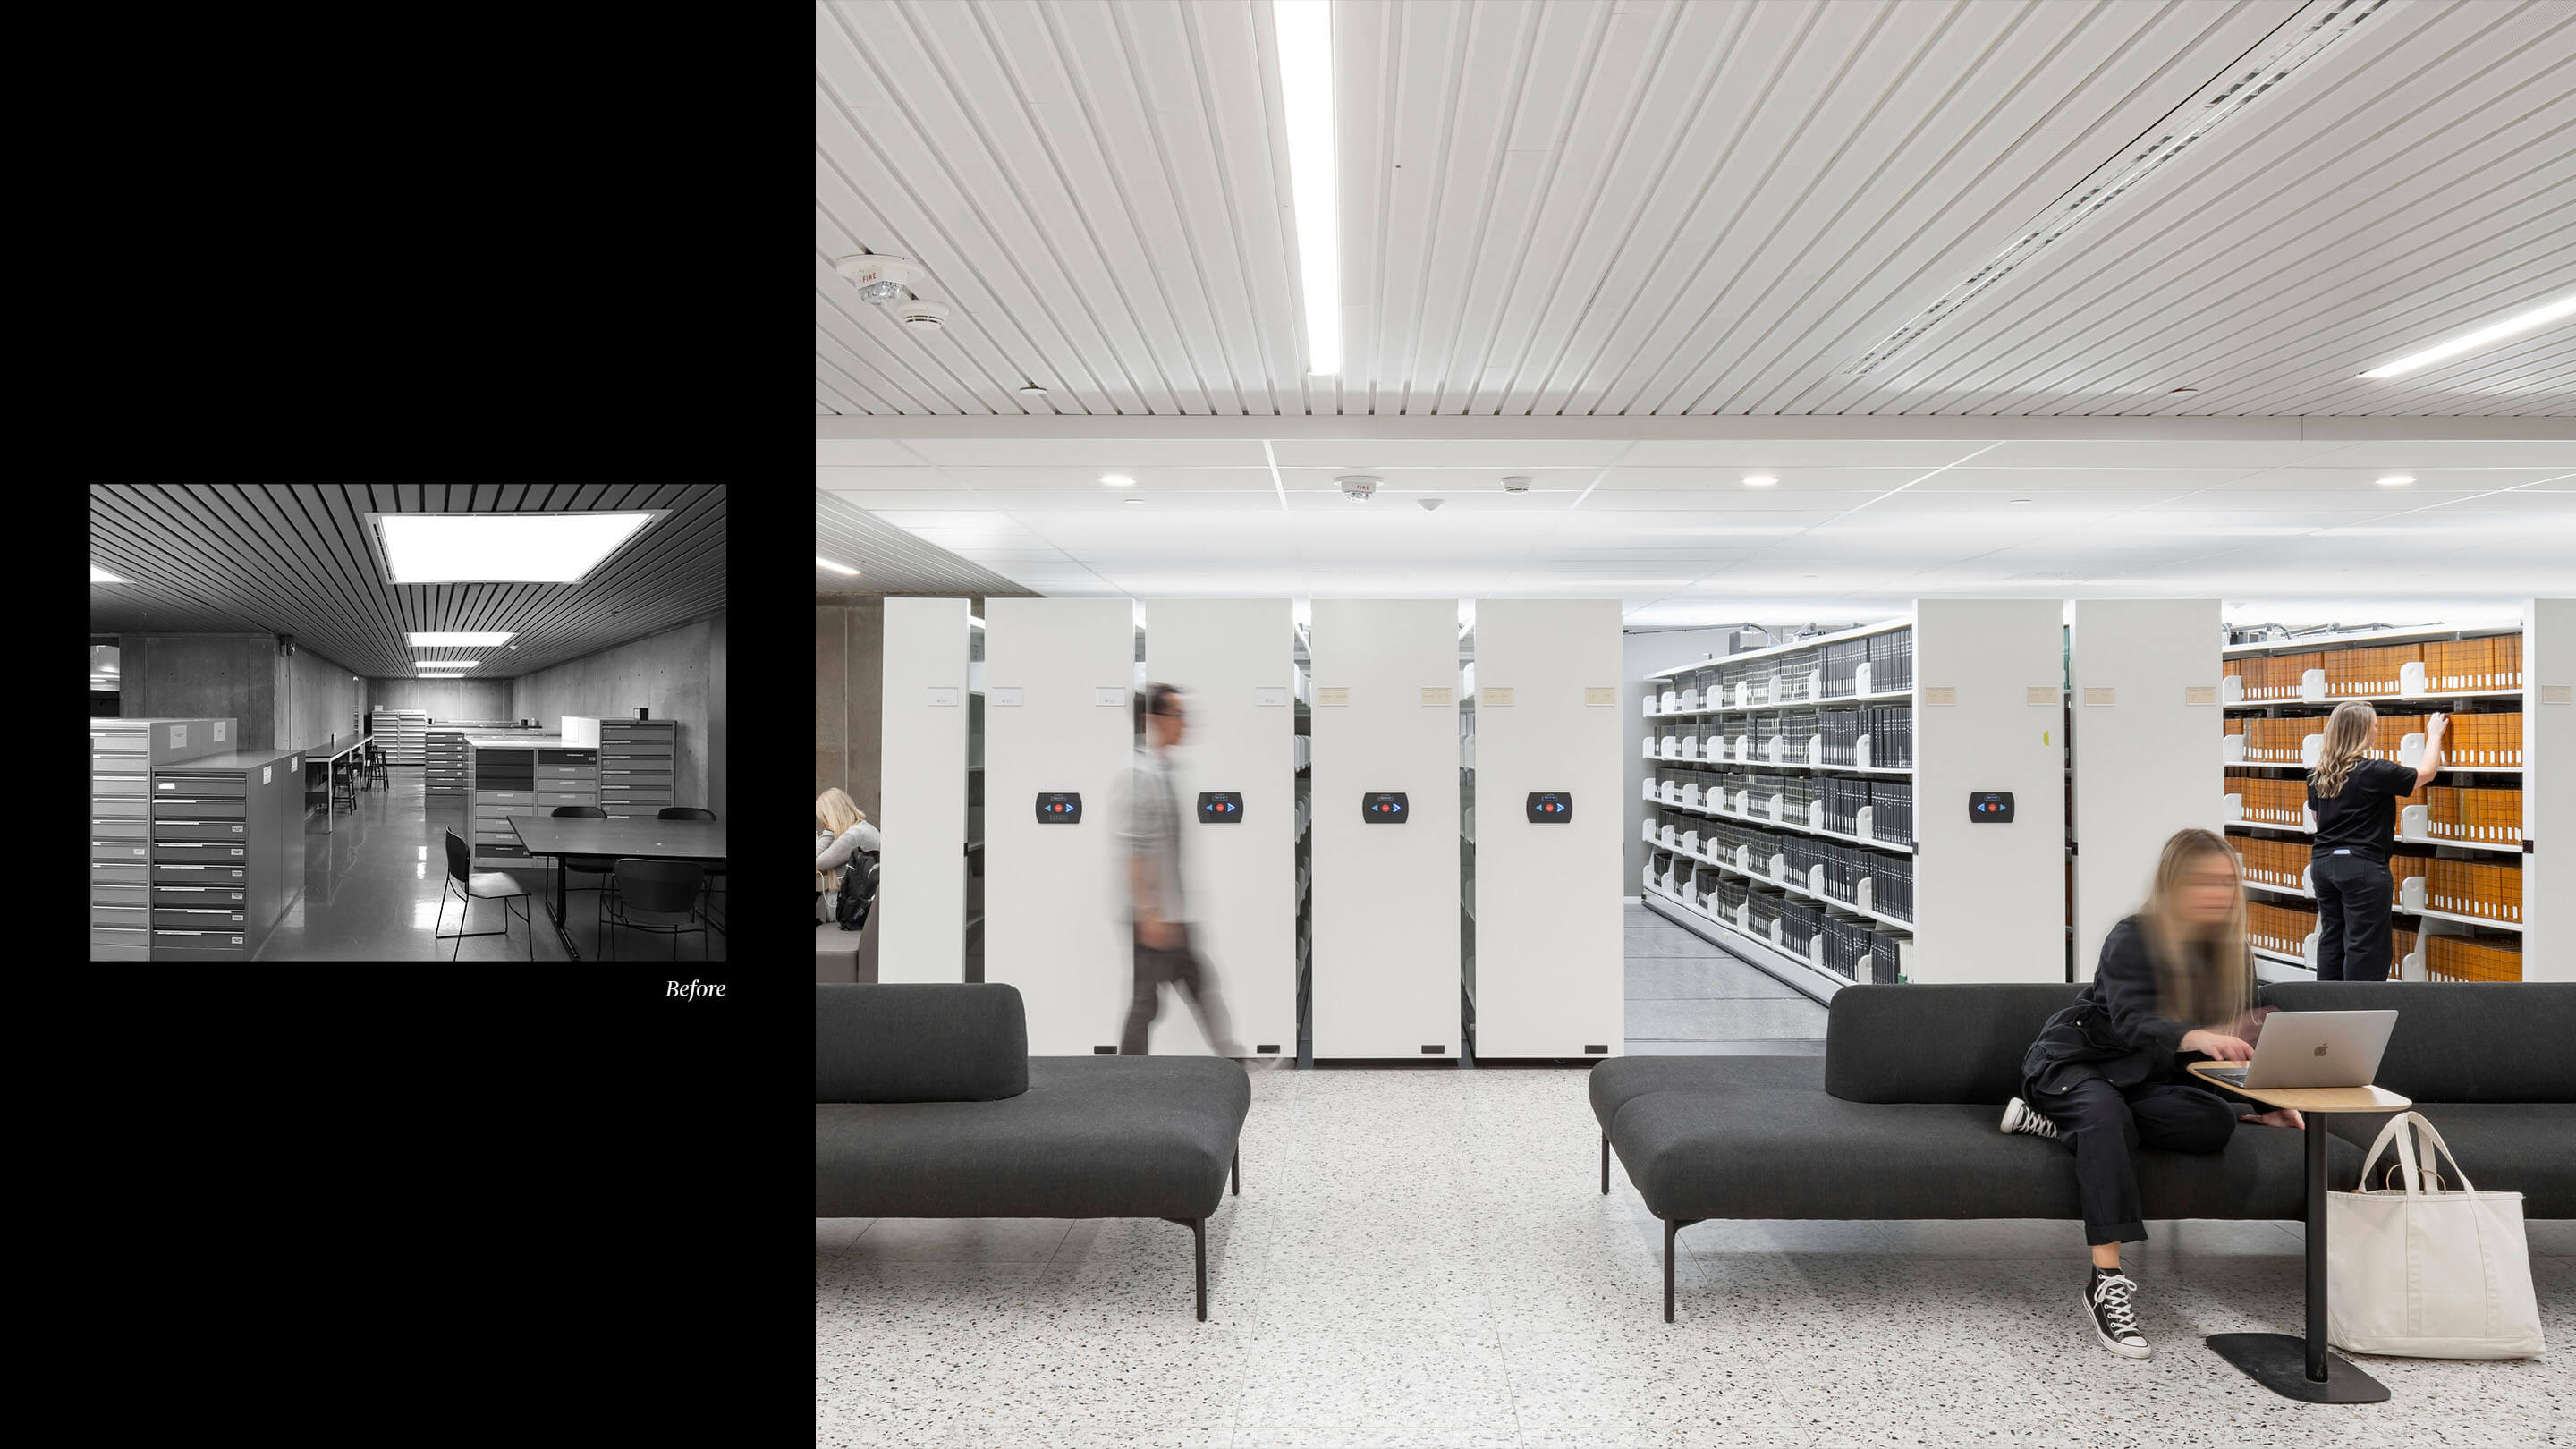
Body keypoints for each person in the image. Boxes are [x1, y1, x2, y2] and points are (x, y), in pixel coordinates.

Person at [2000, 827, 2305, 1360]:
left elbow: (2244, 1036)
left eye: (2228, 883)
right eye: (2204, 882)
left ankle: (2052, 1124)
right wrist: (2193, 1035)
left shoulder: (2229, 955)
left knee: (2213, 1122)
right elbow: (2131, 1018)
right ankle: (2105, 1281)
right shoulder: (2132, 936)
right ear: (2173, 885)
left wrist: (2268, 1103)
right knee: (2105, 1121)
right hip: (2078, 1062)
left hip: (2140, 1081)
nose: (2219, 894)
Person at [1117, 683, 1243, 1057]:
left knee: (1195, 985)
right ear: (1152, 720)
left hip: (1170, 912)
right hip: (1154, 916)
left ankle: (1230, 1057)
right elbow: (1135, 849)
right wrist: (1150, 913)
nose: (1185, 724)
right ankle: (1125, 1078)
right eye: (1178, 715)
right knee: (1148, 1003)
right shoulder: (1141, 775)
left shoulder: (1164, 769)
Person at [2307, 701, 2444, 981]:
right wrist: (2435, 735)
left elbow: (2317, 816)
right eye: (2374, 725)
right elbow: (2426, 773)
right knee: (2366, 946)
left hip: (2323, 865)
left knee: (2332, 938)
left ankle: (2327, 1009)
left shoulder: (2318, 775)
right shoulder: (2375, 772)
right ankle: (2360, 1012)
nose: (2377, 731)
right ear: (2360, 732)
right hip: (2362, 867)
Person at [815, 788, 882, 923]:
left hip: (850, 909)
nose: (822, 824)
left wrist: (828, 832)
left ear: (833, 815)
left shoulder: (853, 836)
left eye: (824, 819)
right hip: (861, 907)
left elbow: (817, 863)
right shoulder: (864, 828)